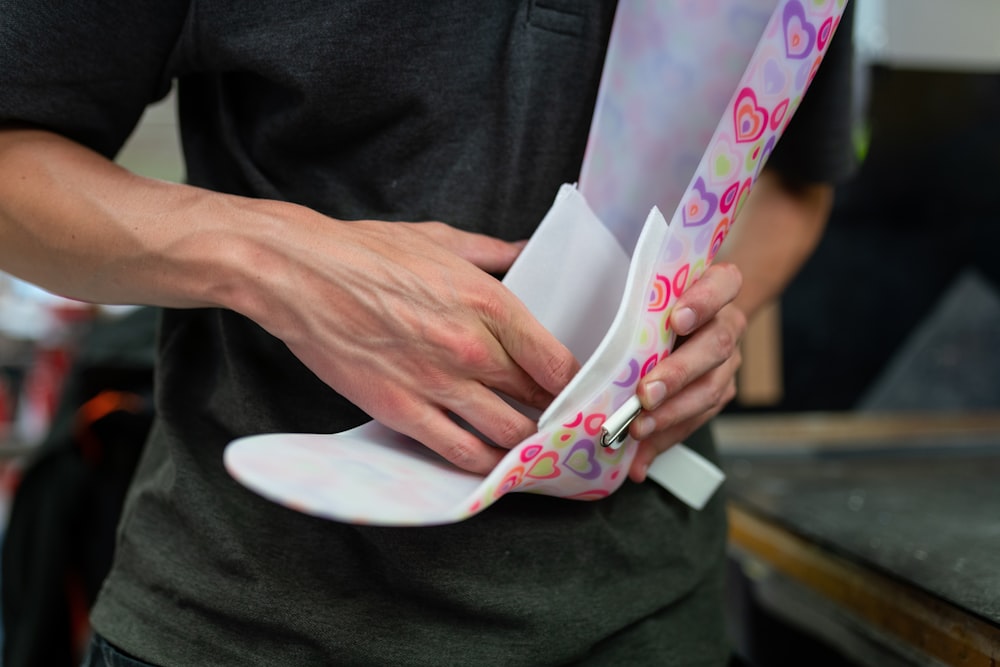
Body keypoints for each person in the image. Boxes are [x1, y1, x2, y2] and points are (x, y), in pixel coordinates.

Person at [0, 2, 855, 665]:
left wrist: (676, 328)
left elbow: (792, 181)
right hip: (260, 622)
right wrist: (283, 262)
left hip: (654, 621)